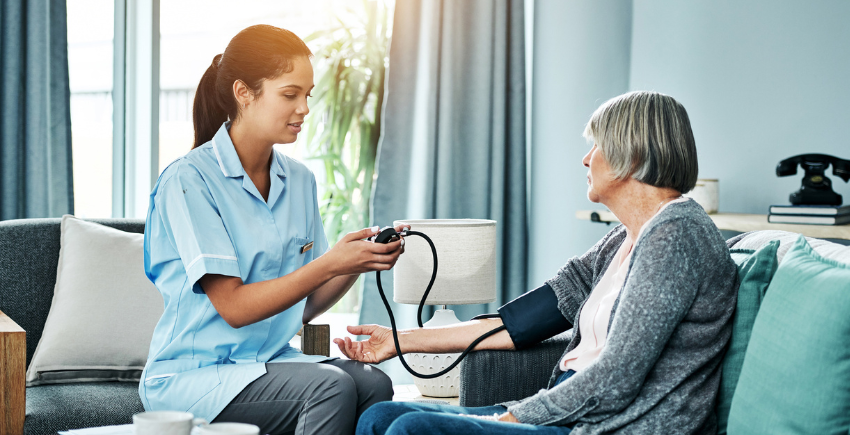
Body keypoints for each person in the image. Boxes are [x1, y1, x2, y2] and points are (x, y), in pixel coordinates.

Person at [336, 91, 738, 435]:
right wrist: (398, 340)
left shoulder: (678, 236)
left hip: (611, 425)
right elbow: (521, 323)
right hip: (570, 416)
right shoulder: (623, 238)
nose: (585, 159)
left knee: (412, 430)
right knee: (381, 416)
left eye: (595, 145)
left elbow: (615, 379)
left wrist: (513, 418)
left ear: (629, 155)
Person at [140, 24, 407, 435]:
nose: (304, 108)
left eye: (308, 95)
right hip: (193, 376)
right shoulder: (189, 180)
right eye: (290, 94)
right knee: (328, 388)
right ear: (244, 93)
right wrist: (329, 263)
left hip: (267, 361)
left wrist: (356, 260)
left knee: (373, 382)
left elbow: (304, 305)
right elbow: (235, 308)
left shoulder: (299, 180)